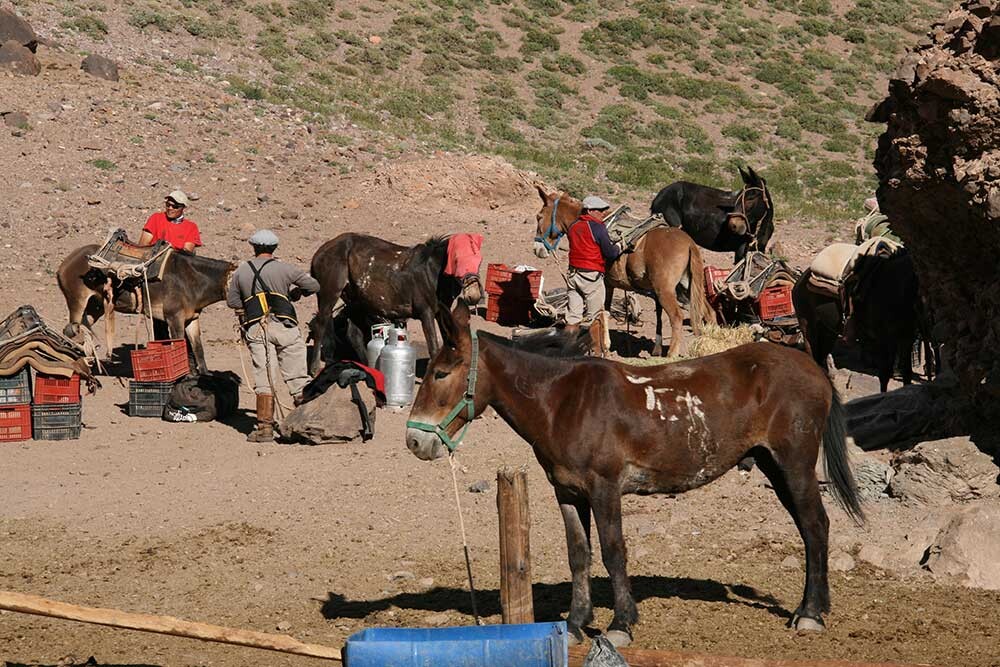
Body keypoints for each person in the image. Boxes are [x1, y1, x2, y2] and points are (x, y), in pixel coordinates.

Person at [227, 229, 320, 442]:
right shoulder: (286, 269)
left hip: (257, 329)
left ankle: (264, 429)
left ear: (254, 247)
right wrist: (296, 293)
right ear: (274, 248)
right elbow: (314, 285)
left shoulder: (242, 271)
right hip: (286, 327)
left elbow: (232, 301)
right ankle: (306, 426)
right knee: (297, 377)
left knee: (264, 378)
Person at [565, 195, 628, 332]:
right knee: (595, 318)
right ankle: (596, 350)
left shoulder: (573, 226)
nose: (603, 212)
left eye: (604, 209)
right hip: (591, 277)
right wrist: (620, 246)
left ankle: (567, 348)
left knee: (572, 317)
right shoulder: (598, 228)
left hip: (573, 275)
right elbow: (610, 253)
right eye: (599, 210)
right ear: (589, 211)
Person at [138, 190, 202, 252]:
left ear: (183, 207)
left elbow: (186, 254)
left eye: (175, 206)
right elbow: (143, 246)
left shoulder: (191, 227)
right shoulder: (156, 218)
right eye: (168, 205)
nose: (170, 208)